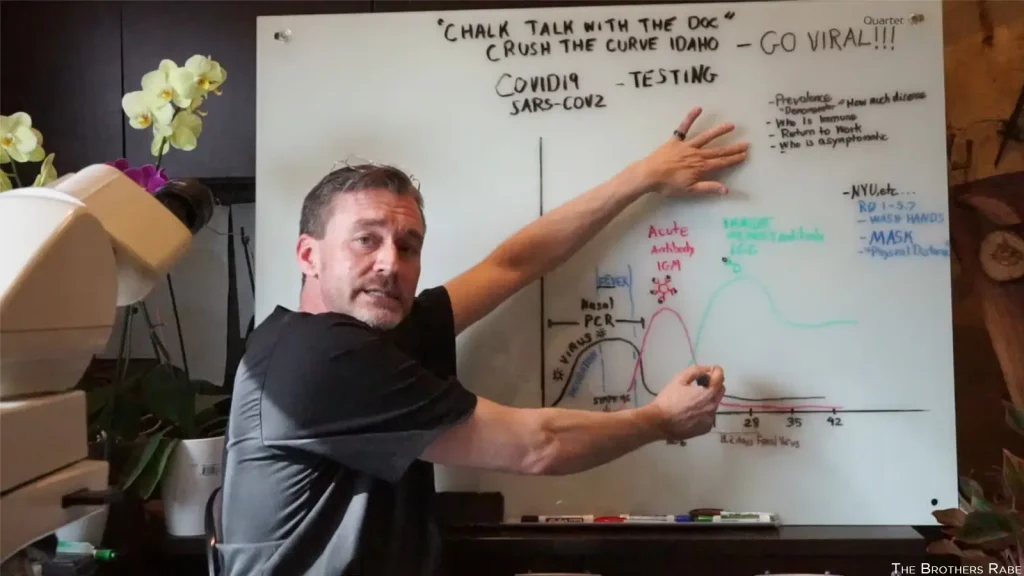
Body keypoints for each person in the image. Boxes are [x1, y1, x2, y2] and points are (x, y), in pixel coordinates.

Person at [217, 107, 748, 576]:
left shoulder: (372, 334)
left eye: (408, 246)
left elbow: (510, 265)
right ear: (308, 255)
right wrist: (661, 421)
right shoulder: (320, 357)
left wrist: (641, 178)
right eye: (366, 239)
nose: (390, 263)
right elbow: (537, 445)